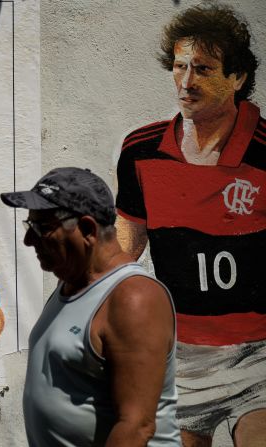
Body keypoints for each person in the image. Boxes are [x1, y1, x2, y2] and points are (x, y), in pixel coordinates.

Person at [115, 4, 265, 446]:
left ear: (237, 77)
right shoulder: (140, 151)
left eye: (202, 68)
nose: (186, 81)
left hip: (257, 352)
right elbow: (129, 243)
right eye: (180, 66)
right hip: (180, 354)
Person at [1, 167, 179, 447]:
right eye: (29, 226)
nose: (28, 240)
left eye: (42, 229)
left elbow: (136, 427)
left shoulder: (133, 297)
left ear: (87, 229)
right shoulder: (70, 284)